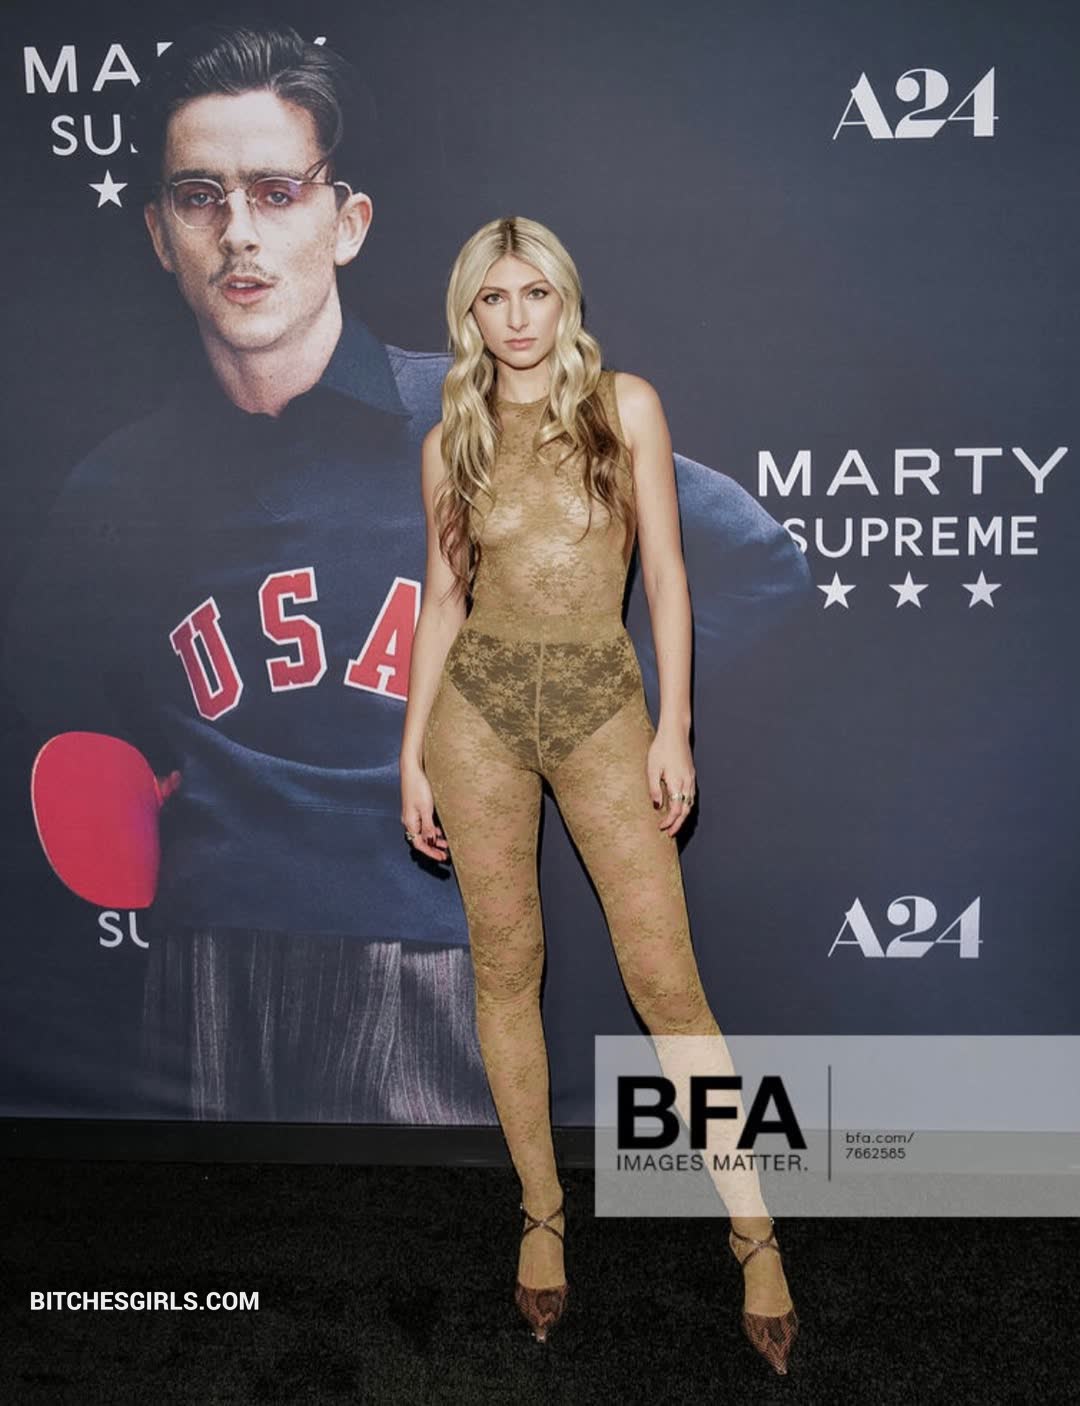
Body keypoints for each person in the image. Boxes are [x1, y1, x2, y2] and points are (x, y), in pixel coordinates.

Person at [3, 22, 811, 1130]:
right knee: (215, 1239)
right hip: (204, 963)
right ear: (159, 232)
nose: (239, 233)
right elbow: (57, 701)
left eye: (277, 191)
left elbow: (757, 561)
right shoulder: (118, 481)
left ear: (346, 223)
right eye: (199, 198)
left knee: (427, 1237)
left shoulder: (481, 414)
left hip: (427, 951)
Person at [399, 216, 800, 1373]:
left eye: (534, 292)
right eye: (493, 298)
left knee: (666, 979)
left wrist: (675, 725)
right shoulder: (451, 438)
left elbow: (667, 574)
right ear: (469, 315)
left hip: (602, 708)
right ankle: (540, 1212)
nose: (516, 317)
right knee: (503, 968)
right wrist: (410, 753)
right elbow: (441, 602)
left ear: (564, 299)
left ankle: (755, 1231)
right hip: (476, 716)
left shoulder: (626, 406)